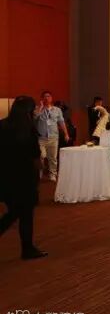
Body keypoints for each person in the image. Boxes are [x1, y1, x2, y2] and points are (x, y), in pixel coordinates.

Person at [0, 96, 48, 259]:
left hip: (6, 176)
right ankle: (27, 248)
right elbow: (35, 156)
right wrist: (40, 171)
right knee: (25, 214)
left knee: (15, 211)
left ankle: (28, 248)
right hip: (25, 177)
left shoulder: (2, 125)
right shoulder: (28, 129)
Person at [34, 91, 70, 181]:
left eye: (48, 96)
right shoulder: (38, 109)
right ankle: (40, 172)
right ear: (42, 98)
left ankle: (53, 174)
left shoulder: (57, 110)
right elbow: (35, 118)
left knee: (53, 158)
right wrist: (41, 107)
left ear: (51, 98)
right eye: (45, 96)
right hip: (41, 138)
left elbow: (61, 122)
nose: (47, 98)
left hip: (53, 137)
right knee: (41, 156)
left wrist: (66, 134)